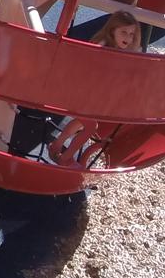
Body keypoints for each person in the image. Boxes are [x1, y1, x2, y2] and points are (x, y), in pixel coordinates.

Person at [50, 10, 146, 167]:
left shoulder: (119, 50)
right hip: (81, 92)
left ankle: (56, 146)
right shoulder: (102, 46)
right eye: (123, 32)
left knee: (79, 124)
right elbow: (90, 65)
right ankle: (65, 158)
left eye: (131, 34)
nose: (128, 38)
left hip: (92, 97)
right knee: (90, 126)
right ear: (112, 30)